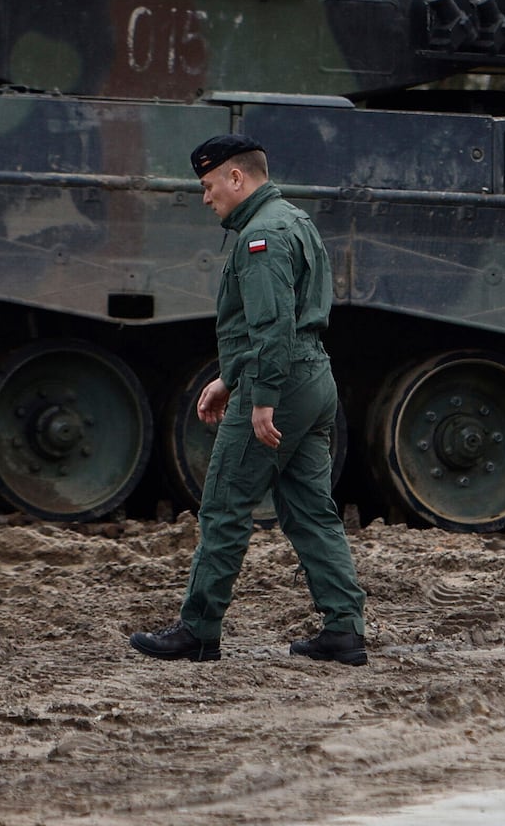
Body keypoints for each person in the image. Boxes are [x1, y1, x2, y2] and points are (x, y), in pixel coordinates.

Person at [130, 133, 370, 667]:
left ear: (236, 177)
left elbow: (271, 324)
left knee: (224, 505)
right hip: (312, 378)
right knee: (311, 511)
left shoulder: (260, 238)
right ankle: (344, 629)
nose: (205, 196)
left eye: (209, 184)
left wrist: (259, 399)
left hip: (280, 383)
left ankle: (197, 630)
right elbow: (279, 326)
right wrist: (228, 377)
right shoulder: (293, 219)